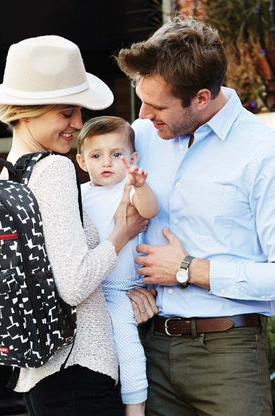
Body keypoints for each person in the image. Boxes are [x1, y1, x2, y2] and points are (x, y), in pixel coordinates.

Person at [115, 16, 275, 416]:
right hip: (148, 350)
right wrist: (126, 288)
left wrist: (190, 269)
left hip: (227, 359)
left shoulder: (264, 152)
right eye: (142, 100)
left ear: (201, 98)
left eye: (158, 106)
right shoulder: (142, 138)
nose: (144, 114)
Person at [0, 35, 148, 416]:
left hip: (39, 371)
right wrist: (122, 233)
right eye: (65, 112)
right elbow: (74, 284)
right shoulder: (53, 168)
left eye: (78, 112)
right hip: (79, 368)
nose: (77, 124)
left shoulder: (10, 171)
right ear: (27, 111)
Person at [76, 116, 158, 416]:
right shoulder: (79, 194)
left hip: (123, 290)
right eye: (96, 156)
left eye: (116, 154)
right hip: (91, 287)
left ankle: (135, 408)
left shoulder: (129, 188)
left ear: (132, 159)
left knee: (128, 348)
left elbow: (150, 210)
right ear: (82, 161)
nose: (106, 162)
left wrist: (141, 185)